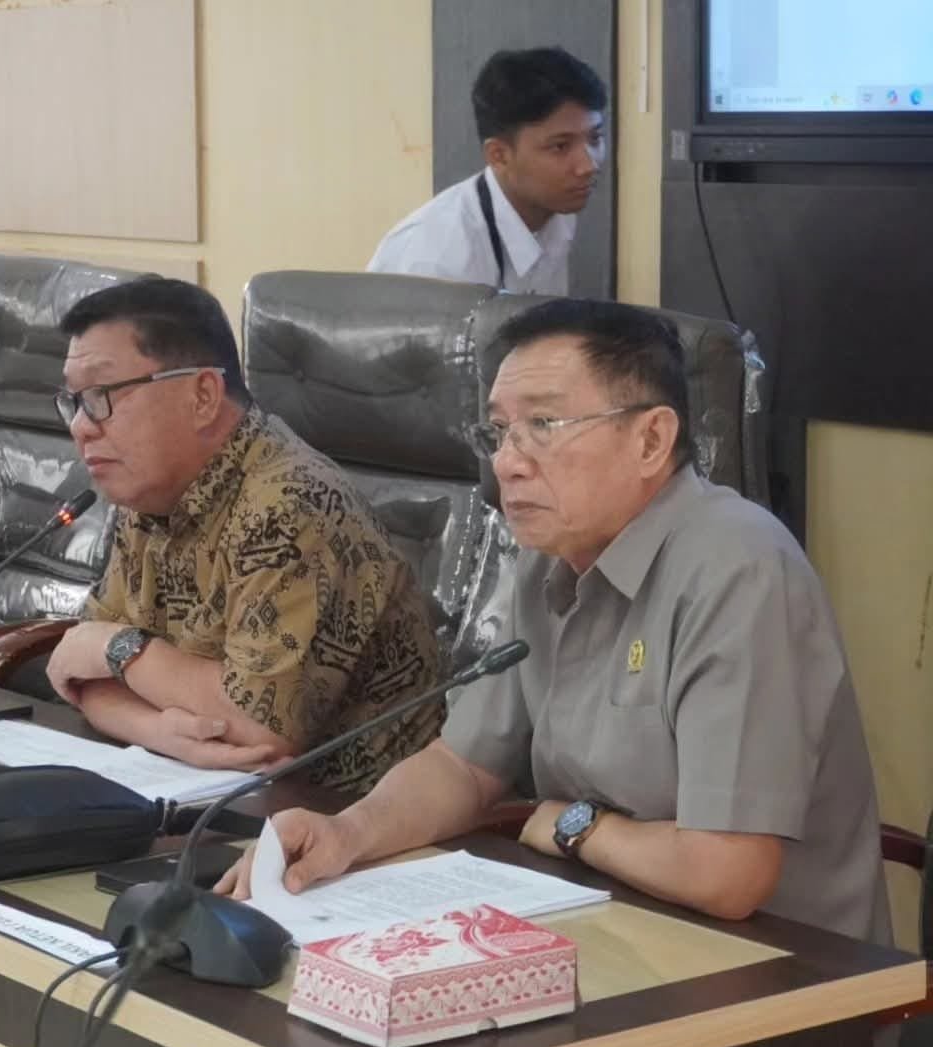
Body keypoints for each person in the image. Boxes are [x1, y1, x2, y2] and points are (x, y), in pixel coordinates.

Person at [217, 298, 892, 956]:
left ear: (651, 439)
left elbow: (727, 873)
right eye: (499, 431)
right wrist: (348, 832)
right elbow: (464, 766)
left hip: (781, 977)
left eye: (543, 424)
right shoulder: (549, 561)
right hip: (608, 928)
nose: (507, 461)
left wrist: (575, 826)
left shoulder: (738, 568)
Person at [44, 277, 443, 792]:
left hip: (349, 813)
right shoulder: (150, 491)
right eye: (74, 400)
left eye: (101, 395)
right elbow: (79, 677)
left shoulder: (291, 503)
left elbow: (259, 729)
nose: (80, 426)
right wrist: (160, 732)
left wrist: (118, 648)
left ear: (203, 396)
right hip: (208, 790)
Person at [367, 47, 607, 293]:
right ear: (498, 155)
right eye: (560, 147)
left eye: (595, 138)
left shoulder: (557, 207)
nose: (588, 166)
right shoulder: (435, 260)